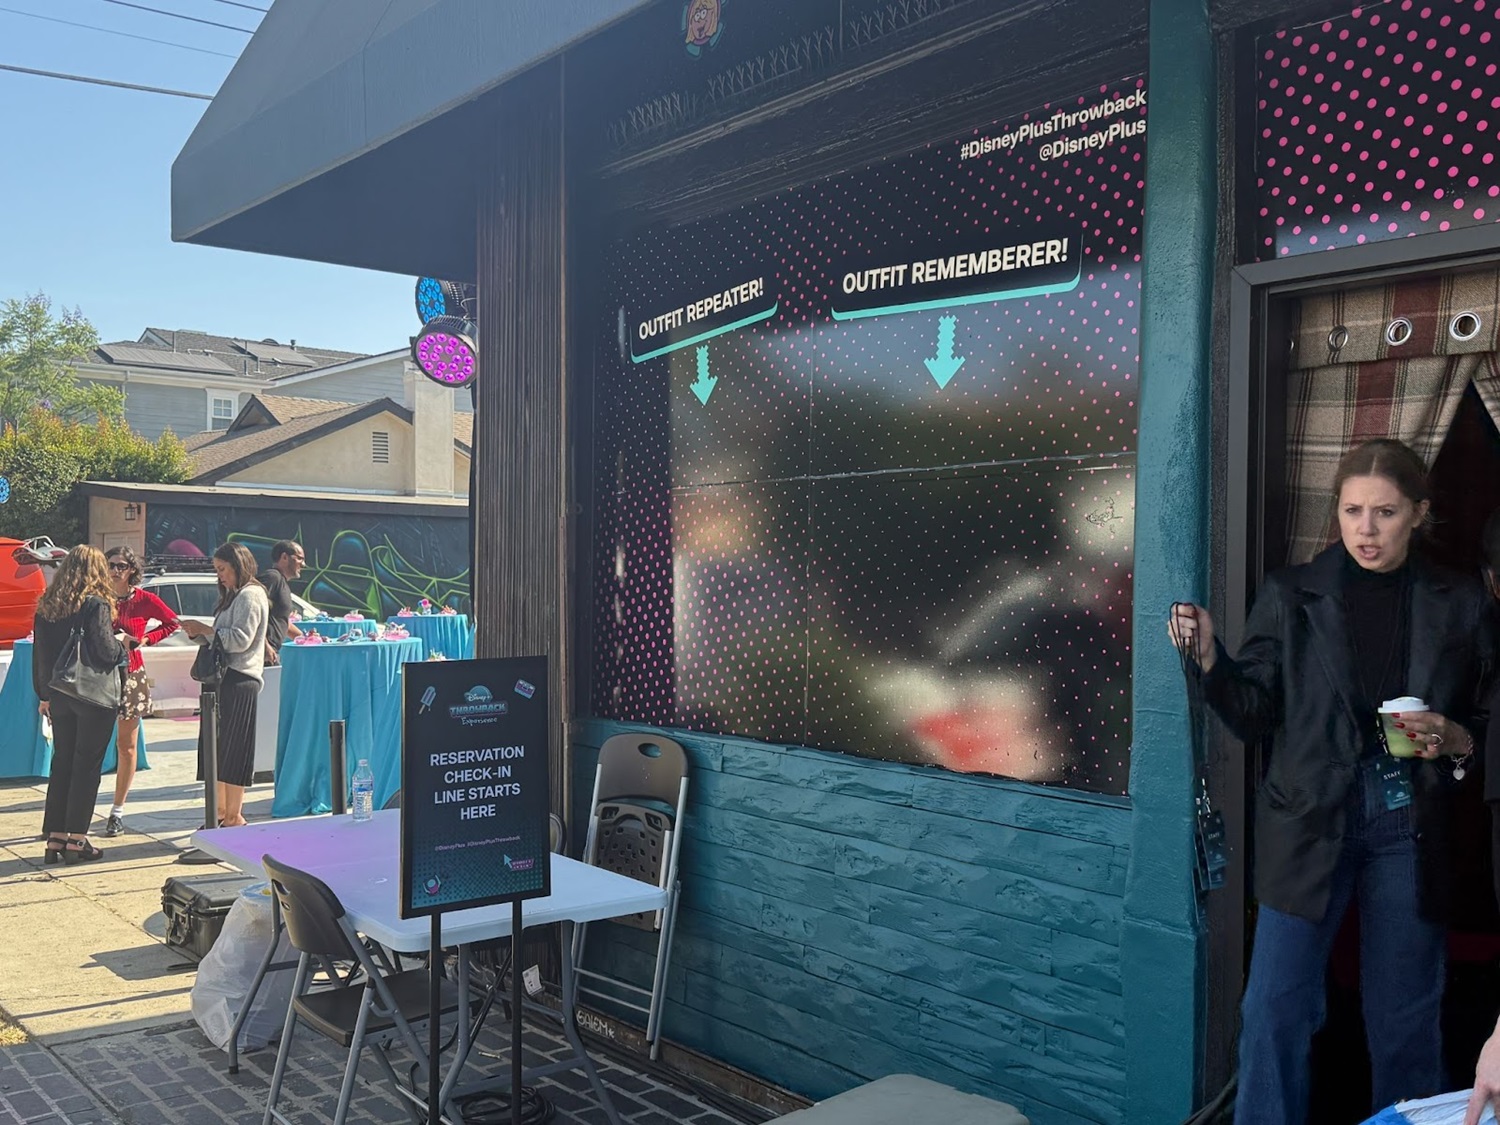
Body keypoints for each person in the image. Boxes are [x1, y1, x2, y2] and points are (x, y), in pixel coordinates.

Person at [1169, 439, 1496, 1125]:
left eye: (1385, 512)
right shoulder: (1292, 593)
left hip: (1409, 819)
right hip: (1307, 816)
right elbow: (1254, 713)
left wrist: (1456, 737)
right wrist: (1213, 662)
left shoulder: (1461, 600)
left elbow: (1487, 716)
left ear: (1419, 513)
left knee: (1406, 1014)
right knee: (1274, 1007)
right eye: (1352, 511)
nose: (1365, 529)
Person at [32, 545, 128, 864]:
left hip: (58, 693)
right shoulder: (95, 604)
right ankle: (77, 839)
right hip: (91, 696)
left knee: (62, 763)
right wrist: (123, 647)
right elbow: (105, 651)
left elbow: (40, 654)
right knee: (87, 766)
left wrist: (44, 695)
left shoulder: (47, 605)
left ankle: (55, 838)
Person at [182, 543, 268, 828]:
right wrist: (201, 633)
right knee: (216, 748)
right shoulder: (234, 595)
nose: (219, 576)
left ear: (237, 565)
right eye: (217, 570)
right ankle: (219, 813)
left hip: (239, 678)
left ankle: (232, 815)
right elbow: (225, 637)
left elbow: (241, 639)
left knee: (233, 749)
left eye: (222, 569)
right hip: (223, 678)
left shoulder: (250, 595)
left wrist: (207, 631)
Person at [102, 546, 180, 837]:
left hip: (131, 675)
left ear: (132, 570)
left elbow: (172, 623)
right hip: (99, 676)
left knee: (127, 745)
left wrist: (146, 640)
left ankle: (117, 811)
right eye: (110, 564)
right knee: (93, 744)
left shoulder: (144, 599)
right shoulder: (98, 597)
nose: (115, 570)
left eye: (121, 566)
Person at [257, 539, 304, 664]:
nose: (303, 564)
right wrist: (265, 645)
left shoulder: (282, 583)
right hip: (260, 654)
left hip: (270, 654)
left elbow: (282, 621)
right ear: (284, 557)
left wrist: (305, 638)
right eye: (299, 558)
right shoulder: (272, 578)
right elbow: (253, 612)